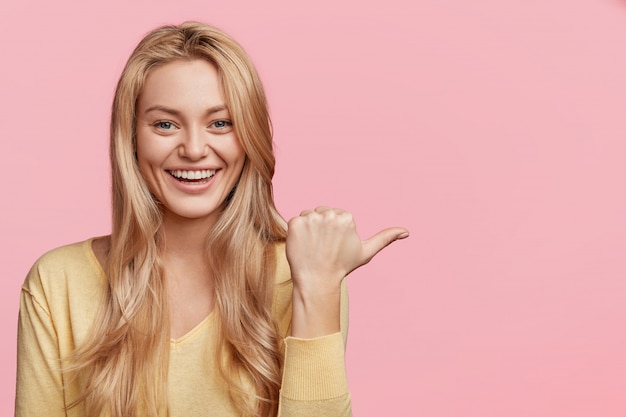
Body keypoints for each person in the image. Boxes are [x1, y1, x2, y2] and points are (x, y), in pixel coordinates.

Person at [15, 22, 408, 417]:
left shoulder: (303, 274)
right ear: (131, 139)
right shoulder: (57, 284)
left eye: (221, 123)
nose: (194, 149)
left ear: (249, 136)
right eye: (165, 124)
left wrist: (320, 287)